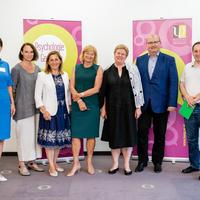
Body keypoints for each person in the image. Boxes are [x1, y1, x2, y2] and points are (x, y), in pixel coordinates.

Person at [135, 34, 178, 173]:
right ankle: (142, 161)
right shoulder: (140, 60)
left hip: (162, 103)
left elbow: (173, 82)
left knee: (160, 134)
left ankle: (157, 162)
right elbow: (136, 83)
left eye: (155, 42)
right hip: (143, 104)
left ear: (160, 43)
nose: (153, 45)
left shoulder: (169, 60)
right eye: (150, 42)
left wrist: (172, 103)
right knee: (142, 133)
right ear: (146, 45)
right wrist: (136, 104)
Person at [99, 44, 144, 175]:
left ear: (126, 56)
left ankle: (126, 165)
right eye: (118, 53)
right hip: (112, 109)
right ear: (114, 54)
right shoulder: (107, 71)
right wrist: (103, 108)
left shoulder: (132, 70)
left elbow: (138, 89)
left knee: (128, 136)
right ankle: (114, 164)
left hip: (129, 108)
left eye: (122, 54)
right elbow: (103, 92)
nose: (120, 55)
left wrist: (138, 107)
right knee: (114, 137)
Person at [67, 45, 103, 176]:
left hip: (92, 105)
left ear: (94, 56)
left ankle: (89, 162)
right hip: (77, 105)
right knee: (76, 135)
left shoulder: (98, 69)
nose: (89, 56)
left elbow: (96, 89)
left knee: (90, 135)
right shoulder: (76, 68)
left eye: (92, 54)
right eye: (87, 53)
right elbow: (71, 86)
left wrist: (80, 95)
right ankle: (76, 163)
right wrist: (79, 100)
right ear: (83, 55)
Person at [35, 51, 71, 177]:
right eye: (51, 60)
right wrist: (43, 110)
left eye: (56, 59)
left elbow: (68, 93)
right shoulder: (42, 75)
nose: (54, 62)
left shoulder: (65, 75)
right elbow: (37, 96)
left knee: (58, 140)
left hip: (63, 111)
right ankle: (51, 166)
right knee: (50, 141)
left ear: (60, 61)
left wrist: (70, 108)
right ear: (48, 62)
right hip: (49, 112)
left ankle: (55, 163)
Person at [11, 43, 44, 176]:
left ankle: (32, 162)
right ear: (22, 52)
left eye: (31, 51)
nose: (29, 54)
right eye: (26, 51)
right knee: (23, 138)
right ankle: (21, 164)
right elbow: (12, 90)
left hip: (36, 108)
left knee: (34, 137)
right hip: (22, 108)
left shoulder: (38, 69)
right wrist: (13, 105)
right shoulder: (16, 69)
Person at [179, 41, 200, 176]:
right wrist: (187, 96)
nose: (198, 53)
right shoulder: (187, 67)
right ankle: (195, 165)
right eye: (196, 51)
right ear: (192, 52)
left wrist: (196, 97)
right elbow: (181, 83)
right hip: (187, 106)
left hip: (197, 102)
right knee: (191, 139)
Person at [0, 38, 15, 181]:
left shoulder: (5, 65)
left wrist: (12, 103)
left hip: (3, 104)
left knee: (1, 138)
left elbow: (9, 84)